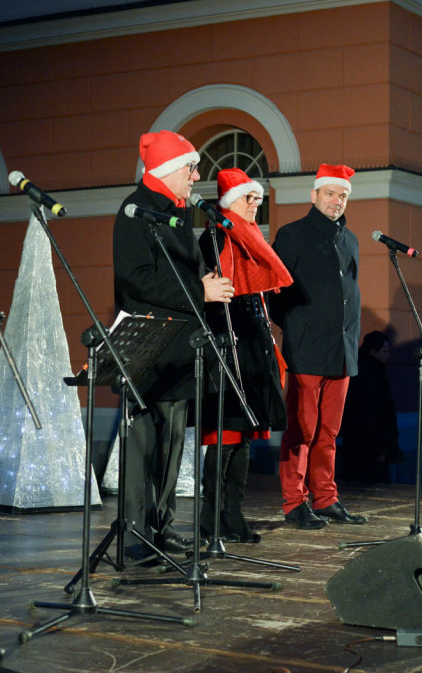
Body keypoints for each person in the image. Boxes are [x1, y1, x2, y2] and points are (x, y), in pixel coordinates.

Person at [112, 130, 234, 560]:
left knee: (172, 446)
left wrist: (212, 293)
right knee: (145, 444)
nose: (196, 175)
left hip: (183, 347)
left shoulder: (181, 213)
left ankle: (160, 528)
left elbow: (193, 272)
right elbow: (135, 278)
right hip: (148, 347)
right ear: (167, 170)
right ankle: (133, 537)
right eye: (191, 168)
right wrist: (199, 290)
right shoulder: (134, 211)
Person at [270, 164, 367, 529]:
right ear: (314, 195)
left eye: (342, 196)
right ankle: (295, 502)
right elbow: (277, 293)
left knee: (328, 432)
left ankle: (325, 498)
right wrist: (298, 329)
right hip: (306, 349)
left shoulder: (350, 239)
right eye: (330, 194)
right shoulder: (293, 234)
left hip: (341, 350)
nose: (336, 201)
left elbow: (349, 292)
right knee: (302, 431)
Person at [197, 168, 292, 543]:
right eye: (247, 198)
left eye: (257, 198)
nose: (255, 204)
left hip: (252, 345)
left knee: (246, 435)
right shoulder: (213, 238)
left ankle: (233, 514)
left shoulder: (252, 238)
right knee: (225, 434)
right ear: (225, 203)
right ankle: (210, 517)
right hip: (226, 343)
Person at [337, 331, 404, 484]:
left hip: (358, 445)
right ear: (373, 351)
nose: (388, 356)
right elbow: (375, 413)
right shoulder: (372, 375)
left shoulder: (362, 370)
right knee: (371, 485)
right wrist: (380, 448)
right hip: (369, 448)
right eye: (385, 351)